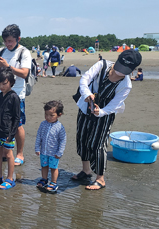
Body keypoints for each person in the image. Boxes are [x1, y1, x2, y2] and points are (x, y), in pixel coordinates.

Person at [71, 49, 142, 190]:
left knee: (97, 144)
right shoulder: (102, 65)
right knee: (82, 138)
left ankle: (100, 179)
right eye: (119, 67)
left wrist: (100, 112)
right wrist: (87, 94)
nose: (118, 73)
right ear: (117, 60)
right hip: (86, 106)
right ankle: (86, 171)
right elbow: (85, 79)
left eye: (124, 71)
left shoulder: (125, 85)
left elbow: (114, 105)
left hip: (105, 114)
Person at [0, 24, 32, 166]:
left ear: (18, 39)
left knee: (17, 124)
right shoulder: (0, 51)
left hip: (16, 94)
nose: (8, 44)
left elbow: (25, 73)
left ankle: (19, 153)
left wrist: (7, 67)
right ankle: (1, 153)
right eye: (6, 41)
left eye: (11, 41)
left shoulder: (24, 52)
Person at [35, 100, 67, 193]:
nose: (48, 117)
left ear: (59, 115)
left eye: (51, 115)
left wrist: (60, 152)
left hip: (54, 153)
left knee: (54, 167)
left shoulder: (60, 127)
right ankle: (44, 179)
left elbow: (63, 140)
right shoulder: (43, 124)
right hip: (43, 151)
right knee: (44, 166)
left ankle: (53, 182)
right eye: (46, 115)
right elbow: (39, 137)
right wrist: (37, 148)